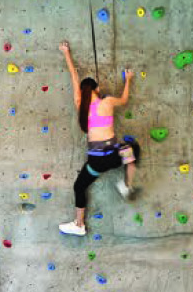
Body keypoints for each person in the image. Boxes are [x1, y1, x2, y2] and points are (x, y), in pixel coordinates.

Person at [56, 41, 139, 238]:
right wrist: (128, 80)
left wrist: (66, 52)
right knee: (131, 149)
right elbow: (125, 100)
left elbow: (73, 76)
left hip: (96, 162)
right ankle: (127, 185)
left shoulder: (80, 105)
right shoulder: (107, 102)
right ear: (96, 88)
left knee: (79, 186)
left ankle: (79, 224)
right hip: (113, 155)